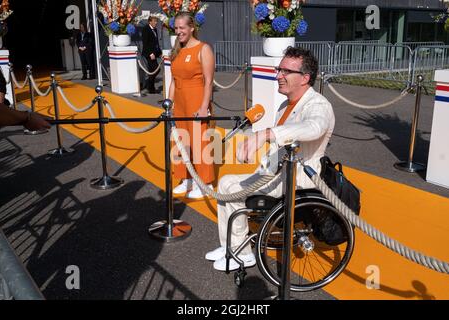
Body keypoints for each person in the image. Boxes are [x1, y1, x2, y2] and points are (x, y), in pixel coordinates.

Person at [206, 47, 336, 271]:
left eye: (286, 71)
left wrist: (264, 134)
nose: (278, 76)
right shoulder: (286, 105)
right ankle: (231, 245)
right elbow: (282, 141)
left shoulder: (318, 105)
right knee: (226, 180)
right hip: (276, 171)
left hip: (297, 180)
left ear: (305, 78)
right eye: (279, 70)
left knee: (229, 187)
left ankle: (242, 254)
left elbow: (313, 127)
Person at [169, 12, 215, 199]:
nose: (179, 32)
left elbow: (209, 81)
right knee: (180, 141)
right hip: (179, 101)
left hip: (196, 98)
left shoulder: (203, 49)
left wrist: (204, 106)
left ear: (191, 28)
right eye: (176, 28)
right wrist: (168, 104)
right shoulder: (177, 50)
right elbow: (173, 81)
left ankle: (204, 182)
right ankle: (185, 178)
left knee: (199, 141)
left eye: (182, 28)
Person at [141, 16, 162, 94]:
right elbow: (145, 43)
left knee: (152, 70)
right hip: (149, 53)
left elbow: (156, 43)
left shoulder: (155, 29)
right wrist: (150, 53)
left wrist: (159, 53)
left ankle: (151, 88)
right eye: (154, 21)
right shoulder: (145, 29)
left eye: (156, 21)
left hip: (155, 53)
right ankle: (150, 87)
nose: (156, 23)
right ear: (150, 22)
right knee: (155, 69)